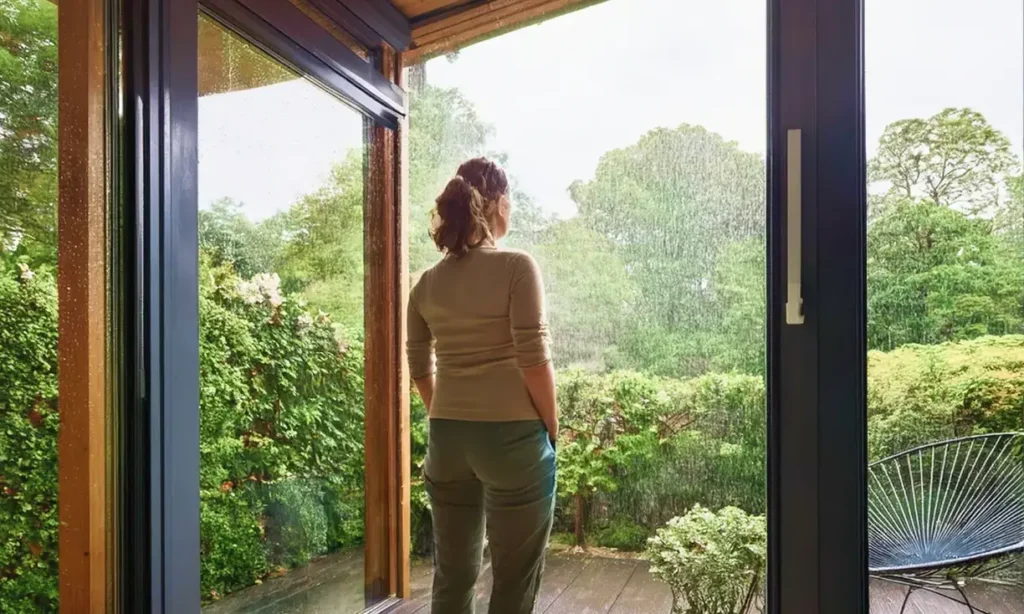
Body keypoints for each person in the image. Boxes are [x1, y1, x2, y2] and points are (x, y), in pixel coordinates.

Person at [407, 157, 559, 614]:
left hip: (448, 438)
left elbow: (419, 367)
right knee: (514, 582)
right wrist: (551, 427)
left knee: (451, 578)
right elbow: (534, 360)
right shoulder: (517, 266)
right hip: (512, 440)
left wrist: (448, 416)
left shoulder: (425, 284)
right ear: (497, 204)